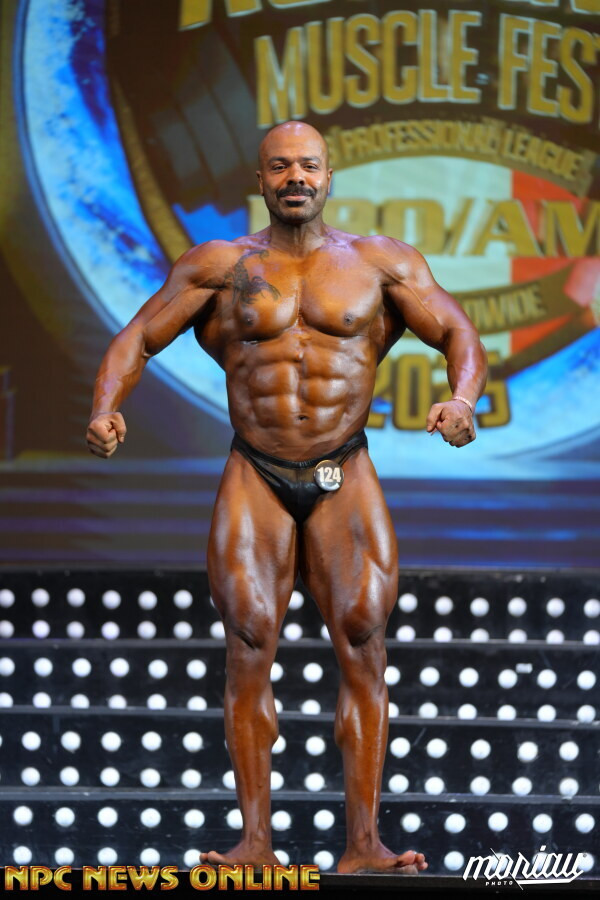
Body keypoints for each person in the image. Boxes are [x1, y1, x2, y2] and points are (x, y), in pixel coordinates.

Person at [86, 120, 488, 875]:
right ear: (261, 179)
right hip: (257, 470)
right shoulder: (219, 265)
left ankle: (364, 846)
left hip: (344, 467)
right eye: (280, 166)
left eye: (308, 165)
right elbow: (138, 336)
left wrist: (462, 398)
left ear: (329, 176)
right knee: (247, 643)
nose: (295, 177)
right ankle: (255, 844)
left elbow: (459, 334)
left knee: (363, 639)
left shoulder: (380, 263)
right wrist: (107, 406)